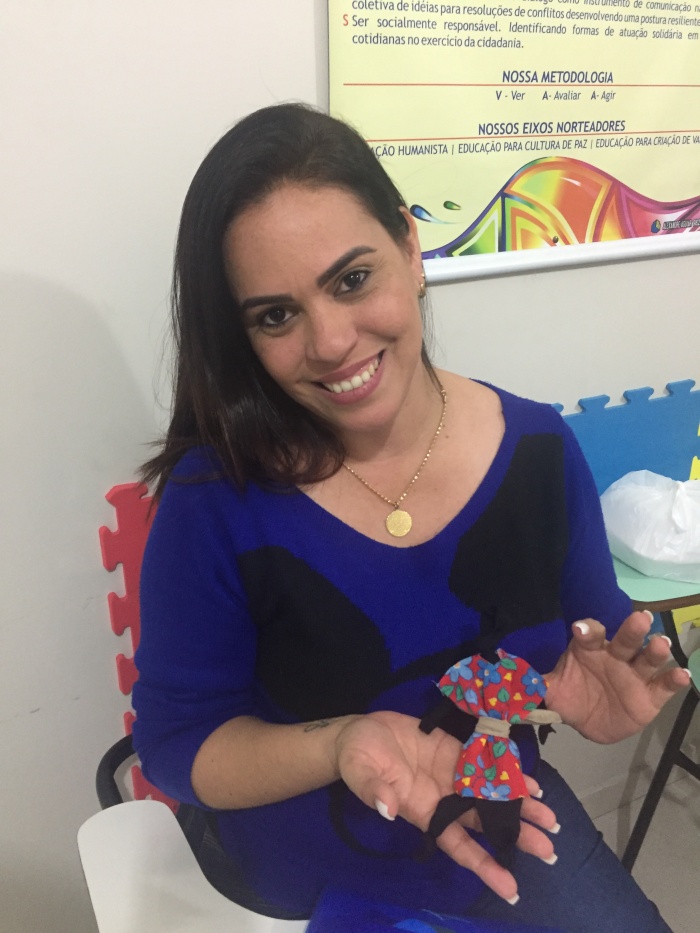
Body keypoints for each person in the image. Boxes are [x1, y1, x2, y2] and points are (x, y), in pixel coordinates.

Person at [132, 102, 689, 932]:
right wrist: (341, 743)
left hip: (496, 814)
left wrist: (588, 705)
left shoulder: (538, 451)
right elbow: (176, 743)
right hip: (293, 862)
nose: (331, 342)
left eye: (352, 279)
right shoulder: (215, 496)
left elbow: (585, 655)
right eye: (276, 315)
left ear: (409, 244)